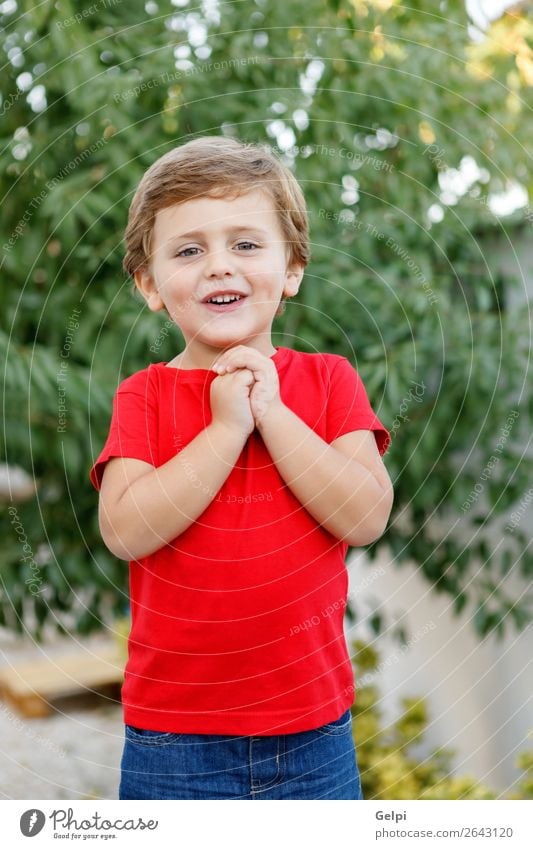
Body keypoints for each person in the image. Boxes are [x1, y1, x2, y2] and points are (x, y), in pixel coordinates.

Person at [89, 135, 393, 800]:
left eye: (246, 244)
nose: (218, 266)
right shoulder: (144, 395)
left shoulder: (328, 380)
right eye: (188, 249)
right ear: (148, 285)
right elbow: (125, 529)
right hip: (173, 741)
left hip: (314, 732)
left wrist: (273, 413)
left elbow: (365, 516)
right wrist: (227, 426)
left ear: (291, 270)